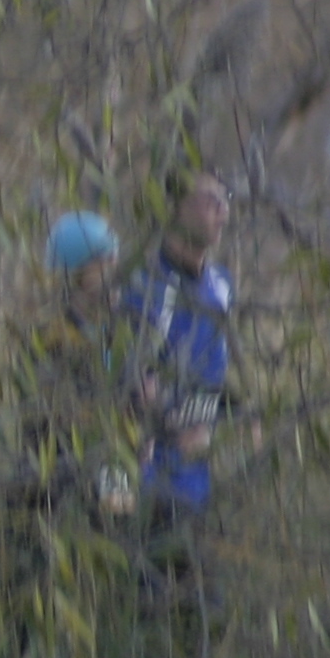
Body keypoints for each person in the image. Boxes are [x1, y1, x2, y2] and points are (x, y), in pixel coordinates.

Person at [4, 210, 138, 658]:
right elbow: (46, 413)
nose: (116, 265)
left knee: (121, 560)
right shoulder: (49, 333)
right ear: (81, 271)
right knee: (31, 578)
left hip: (114, 463)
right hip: (50, 468)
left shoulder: (126, 323)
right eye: (106, 259)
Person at [120, 169, 234, 632]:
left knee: (203, 625)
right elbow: (134, 393)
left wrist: (234, 418)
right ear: (173, 210)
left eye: (224, 199)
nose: (222, 210)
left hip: (201, 486)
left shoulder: (222, 286)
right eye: (209, 199)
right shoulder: (146, 289)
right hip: (153, 486)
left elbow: (218, 383)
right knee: (167, 621)